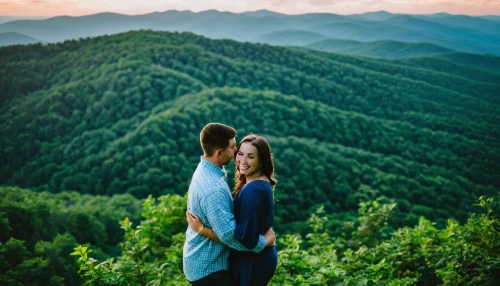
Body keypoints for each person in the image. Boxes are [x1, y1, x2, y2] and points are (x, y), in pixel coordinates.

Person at [183, 123, 276, 286]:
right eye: (235, 148)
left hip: (210, 263)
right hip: (210, 270)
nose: (236, 153)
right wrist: (264, 241)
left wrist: (200, 229)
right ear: (219, 152)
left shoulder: (208, 169)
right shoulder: (213, 189)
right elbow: (229, 235)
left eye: (250, 155)